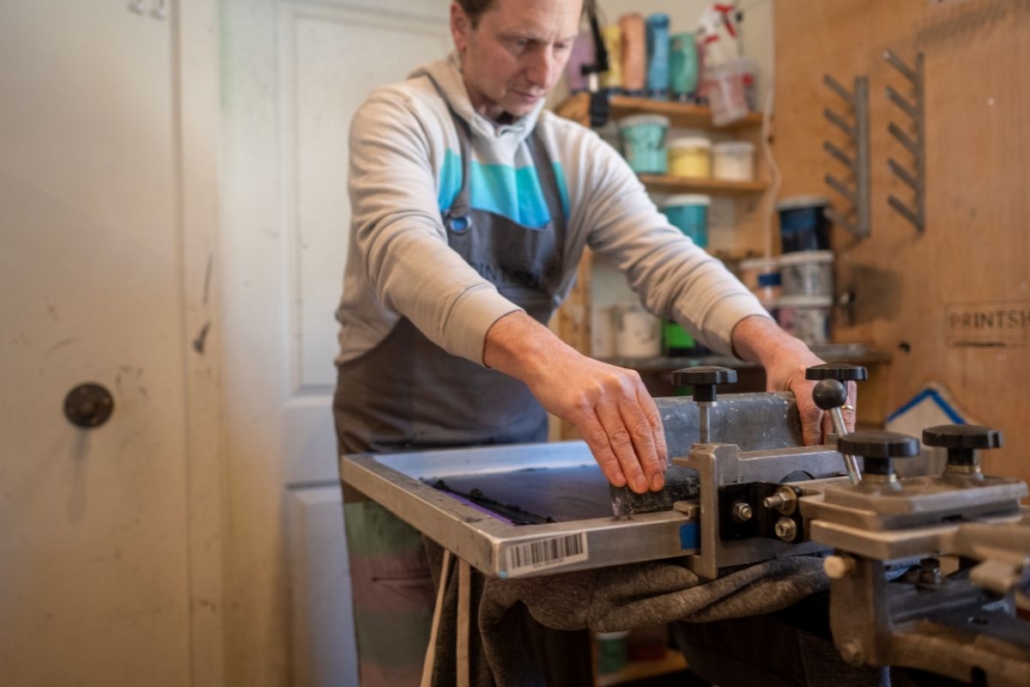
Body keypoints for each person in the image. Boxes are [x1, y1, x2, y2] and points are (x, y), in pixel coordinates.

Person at [333, 0, 855, 684]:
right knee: (415, 665)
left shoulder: (577, 155)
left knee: (527, 655)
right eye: (521, 41)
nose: (543, 70)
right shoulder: (400, 117)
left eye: (560, 45)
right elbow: (402, 250)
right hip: (398, 448)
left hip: (516, 456)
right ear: (460, 25)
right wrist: (549, 356)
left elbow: (669, 259)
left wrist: (773, 342)